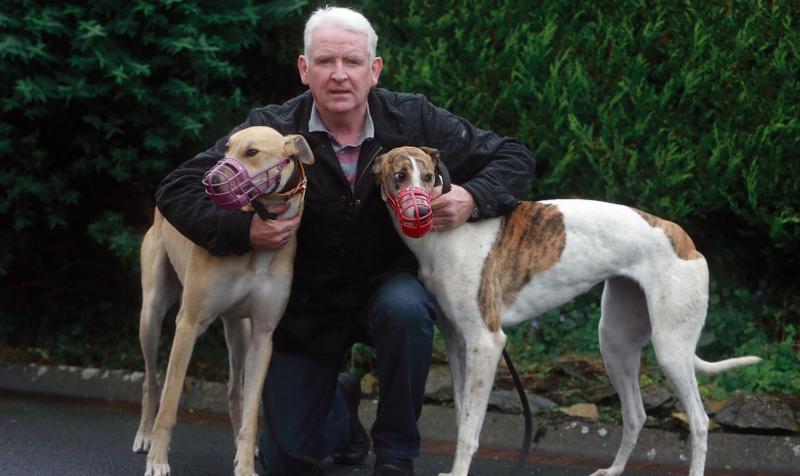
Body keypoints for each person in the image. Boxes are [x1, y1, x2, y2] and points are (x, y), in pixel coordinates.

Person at [155, 6, 535, 476]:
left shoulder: (413, 119)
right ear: (304, 69)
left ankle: (396, 454)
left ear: (373, 70)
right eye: (325, 61)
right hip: (305, 309)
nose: (339, 75)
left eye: (352, 62)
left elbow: (513, 155)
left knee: (407, 309)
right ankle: (342, 403)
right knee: (288, 461)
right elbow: (177, 188)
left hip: (385, 288)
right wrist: (242, 230)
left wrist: (472, 196)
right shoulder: (272, 129)